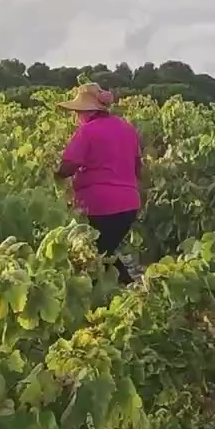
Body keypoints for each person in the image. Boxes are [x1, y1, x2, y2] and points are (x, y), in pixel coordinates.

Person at [54, 83, 142, 285]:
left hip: (100, 206)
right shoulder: (127, 128)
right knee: (104, 251)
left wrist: (53, 174)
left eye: (78, 112)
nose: (77, 117)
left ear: (87, 111)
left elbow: (69, 165)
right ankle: (131, 289)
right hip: (129, 204)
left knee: (95, 253)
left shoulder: (87, 132)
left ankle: (127, 289)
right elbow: (139, 167)